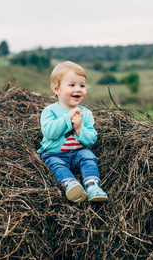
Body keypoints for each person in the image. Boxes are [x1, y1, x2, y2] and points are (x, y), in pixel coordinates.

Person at [37, 61, 108, 203]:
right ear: (56, 89)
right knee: (54, 164)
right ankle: (71, 185)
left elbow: (91, 140)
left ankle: (92, 186)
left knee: (89, 157)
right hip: (55, 154)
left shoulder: (86, 113)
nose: (78, 89)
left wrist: (79, 128)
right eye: (72, 85)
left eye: (82, 85)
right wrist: (67, 118)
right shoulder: (50, 111)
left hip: (78, 152)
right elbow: (50, 133)